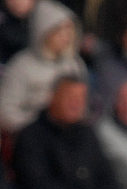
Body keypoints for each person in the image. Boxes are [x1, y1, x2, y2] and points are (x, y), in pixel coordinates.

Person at [12, 75, 123, 189]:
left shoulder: (87, 133)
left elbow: (107, 176)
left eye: (81, 99)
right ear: (53, 97)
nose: (76, 104)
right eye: (70, 97)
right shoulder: (31, 136)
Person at [0, 0, 87, 134]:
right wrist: (37, 127)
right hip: (31, 135)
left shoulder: (75, 65)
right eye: (59, 31)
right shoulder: (22, 65)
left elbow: (82, 106)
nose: (65, 36)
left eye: (69, 30)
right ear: (44, 31)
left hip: (68, 134)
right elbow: (5, 113)